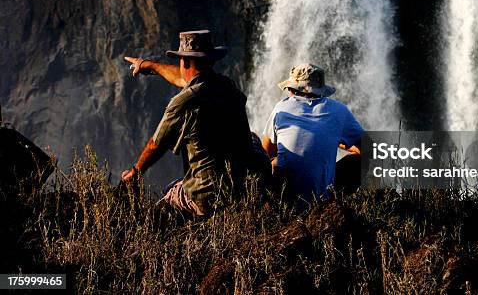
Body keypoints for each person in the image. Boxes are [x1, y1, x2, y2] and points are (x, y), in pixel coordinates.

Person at [121, 30, 256, 216]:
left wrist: (136, 171)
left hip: (207, 195)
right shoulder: (227, 87)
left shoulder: (183, 102)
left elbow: (156, 145)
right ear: (211, 60)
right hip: (243, 189)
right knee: (254, 139)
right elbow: (185, 79)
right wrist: (150, 65)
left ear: (183, 62)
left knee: (169, 193)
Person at [261, 63, 364, 206]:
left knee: (273, 160)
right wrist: (337, 142)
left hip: (285, 198)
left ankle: (273, 203)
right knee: (362, 159)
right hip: (322, 200)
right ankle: (337, 205)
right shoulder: (339, 110)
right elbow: (368, 149)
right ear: (321, 90)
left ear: (291, 89)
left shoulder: (281, 108)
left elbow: (266, 151)